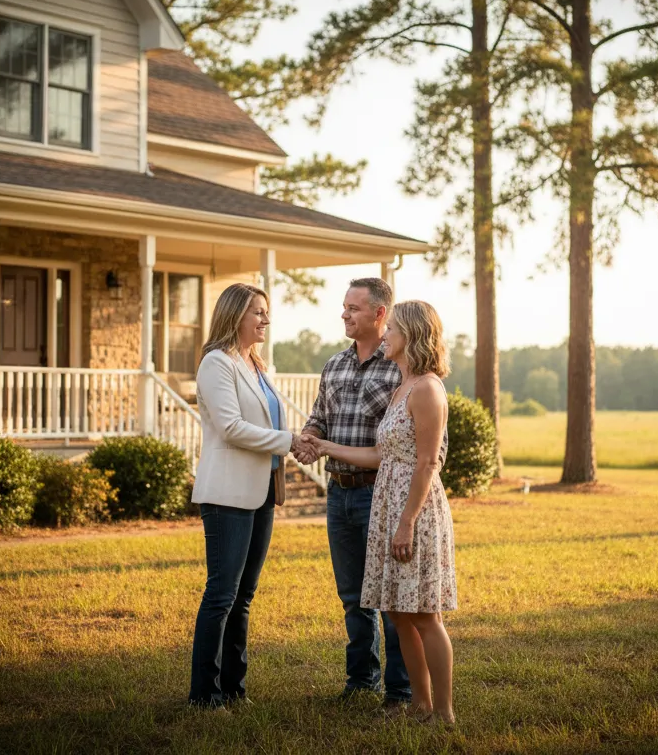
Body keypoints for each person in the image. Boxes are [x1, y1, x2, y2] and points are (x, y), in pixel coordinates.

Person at [307, 300, 457, 724]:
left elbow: (427, 463)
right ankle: (420, 706)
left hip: (414, 510)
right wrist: (325, 446)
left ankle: (443, 712)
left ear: (412, 335)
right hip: (388, 505)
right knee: (399, 612)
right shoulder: (402, 387)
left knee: (424, 614)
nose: (385, 334)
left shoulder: (427, 389)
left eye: (391, 328)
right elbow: (380, 454)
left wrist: (406, 523)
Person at [188, 282, 311, 709]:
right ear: (234, 315)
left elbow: (267, 421)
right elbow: (231, 428)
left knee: (243, 597)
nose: (266, 319)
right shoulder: (216, 363)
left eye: (266, 311)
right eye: (258, 312)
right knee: (222, 595)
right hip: (227, 494)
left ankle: (234, 690)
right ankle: (204, 695)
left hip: (261, 493)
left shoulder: (255, 364)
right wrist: (289, 441)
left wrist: (298, 438)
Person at [292, 277, 412, 710]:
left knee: (390, 597)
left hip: (379, 494)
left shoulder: (398, 366)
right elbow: (319, 417)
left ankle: (400, 690)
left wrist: (322, 443)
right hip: (338, 495)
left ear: (380, 314)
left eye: (353, 308)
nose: (344, 314)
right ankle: (361, 681)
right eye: (344, 307)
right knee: (353, 597)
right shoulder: (334, 364)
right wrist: (309, 438)